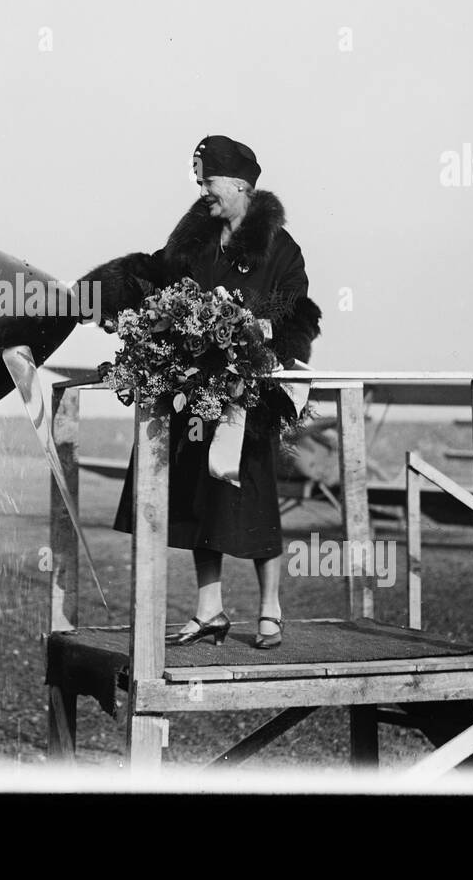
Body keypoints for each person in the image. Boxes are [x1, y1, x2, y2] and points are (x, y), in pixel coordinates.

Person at [80, 135, 322, 649]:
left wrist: (255, 336)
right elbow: (156, 274)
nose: (202, 190)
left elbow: (298, 316)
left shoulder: (282, 248)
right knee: (196, 496)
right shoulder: (195, 239)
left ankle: (270, 608)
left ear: (238, 184)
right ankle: (209, 610)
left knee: (253, 498)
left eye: (208, 181)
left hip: (248, 394)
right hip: (192, 390)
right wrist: (97, 294)